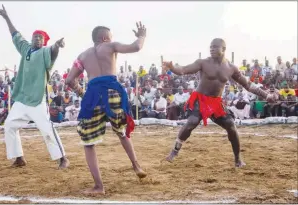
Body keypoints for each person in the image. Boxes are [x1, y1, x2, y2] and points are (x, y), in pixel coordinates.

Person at [162, 38, 277, 168]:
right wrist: (172, 67)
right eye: (211, 47)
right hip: (200, 99)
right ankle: (174, 151)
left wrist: (266, 95)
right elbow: (183, 69)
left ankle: (238, 159)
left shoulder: (231, 68)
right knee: (192, 122)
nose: (212, 49)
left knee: (231, 125)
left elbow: (248, 85)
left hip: (216, 102)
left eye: (215, 47)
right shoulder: (203, 63)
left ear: (224, 49)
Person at [65, 22, 147, 195]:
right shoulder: (111, 46)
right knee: (121, 132)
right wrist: (141, 35)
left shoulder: (83, 55)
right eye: (110, 37)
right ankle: (136, 166)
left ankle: (98, 186)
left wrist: (82, 93)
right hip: (112, 91)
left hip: (93, 94)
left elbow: (69, 80)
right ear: (104, 38)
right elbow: (136, 47)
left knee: (89, 143)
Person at [0, 5, 69, 169]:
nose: (37, 39)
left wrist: (58, 46)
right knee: (9, 125)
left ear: (44, 42)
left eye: (40, 38)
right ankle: (19, 158)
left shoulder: (45, 53)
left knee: (46, 129)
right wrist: (6, 17)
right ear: (31, 39)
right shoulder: (25, 49)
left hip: (38, 99)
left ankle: (63, 158)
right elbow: (15, 34)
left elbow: (53, 51)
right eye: (35, 37)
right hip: (22, 98)